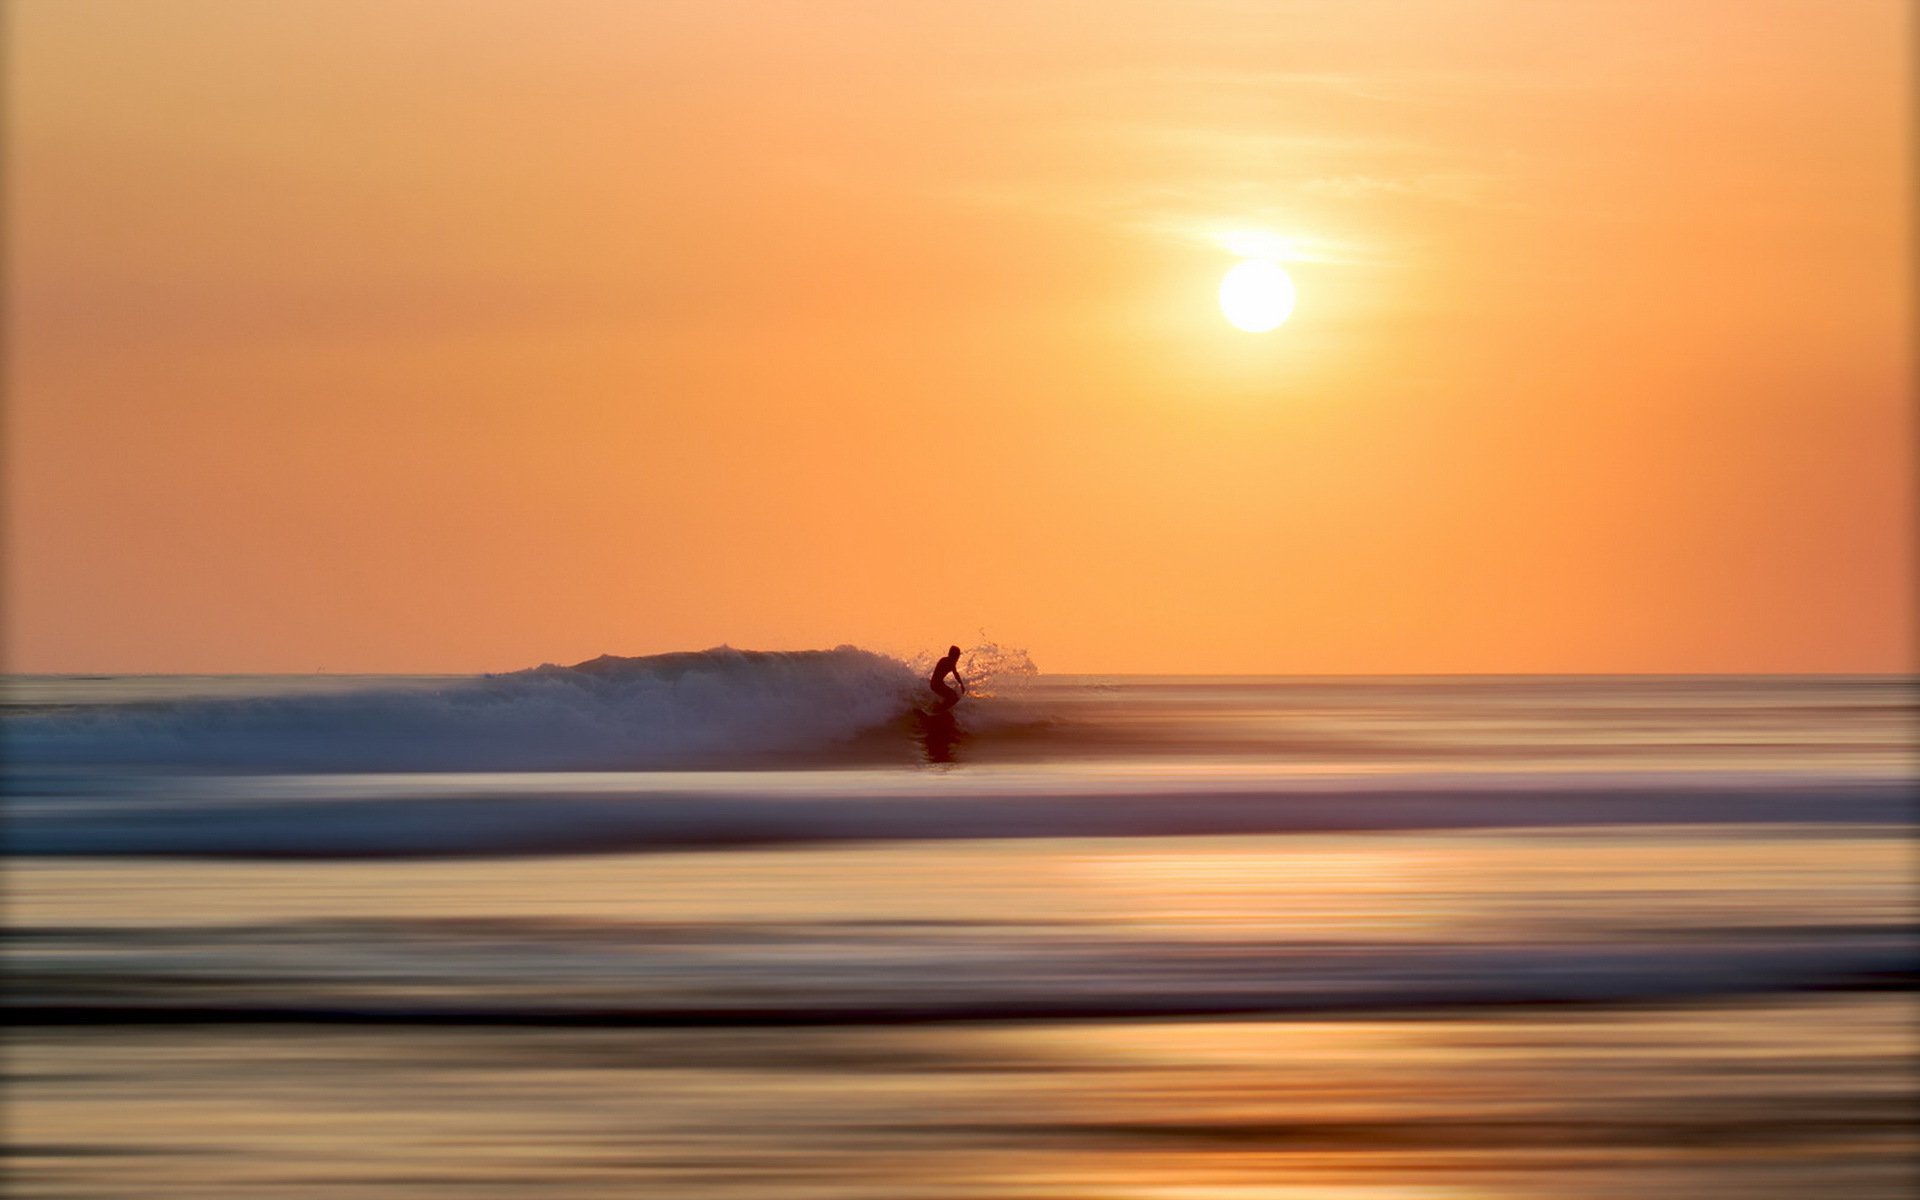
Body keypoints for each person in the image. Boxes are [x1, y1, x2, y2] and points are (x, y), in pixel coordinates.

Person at [928, 645, 967, 712]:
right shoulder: (949, 661)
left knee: (952, 695)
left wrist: (961, 685)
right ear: (953, 655)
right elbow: (956, 674)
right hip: (936, 684)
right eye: (957, 656)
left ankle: (938, 707)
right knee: (953, 696)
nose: (957, 659)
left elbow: (955, 673)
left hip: (936, 683)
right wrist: (962, 685)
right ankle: (939, 710)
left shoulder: (947, 660)